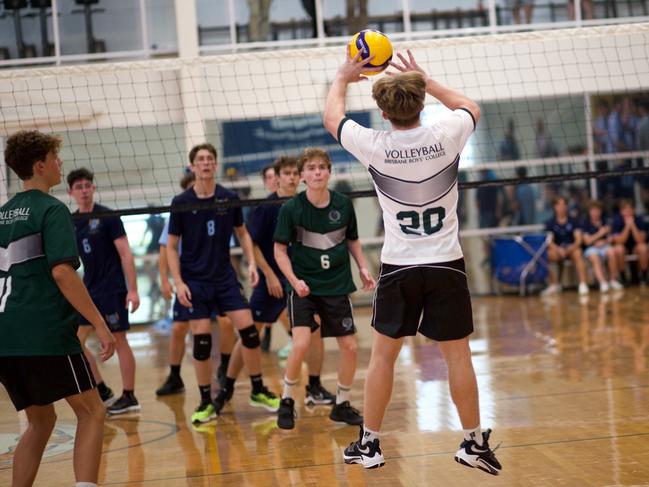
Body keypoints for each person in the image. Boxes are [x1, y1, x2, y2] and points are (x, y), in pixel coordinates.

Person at [324, 49, 501, 473]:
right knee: (457, 357)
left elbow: (333, 119)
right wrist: (428, 79)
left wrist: (343, 77)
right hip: (446, 263)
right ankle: (472, 442)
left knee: (383, 357)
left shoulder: (374, 145)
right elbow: (471, 107)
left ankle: (370, 444)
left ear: (384, 113)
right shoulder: (448, 134)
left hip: (400, 266)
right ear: (421, 103)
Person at [0, 130, 116, 487]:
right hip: (44, 334)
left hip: (6, 337)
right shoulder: (51, 209)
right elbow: (63, 272)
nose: (59, 163)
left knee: (41, 421)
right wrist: (99, 323)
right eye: (54, 157)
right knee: (93, 412)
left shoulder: (2, 214)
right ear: (40, 166)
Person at [167, 143, 280, 423]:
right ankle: (206, 401)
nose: (205, 163)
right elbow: (170, 247)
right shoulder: (181, 202)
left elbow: (243, 234)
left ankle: (257, 389)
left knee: (250, 332)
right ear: (192, 166)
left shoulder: (228, 198)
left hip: (225, 279)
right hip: (195, 282)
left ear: (215, 165)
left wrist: (252, 263)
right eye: (200, 159)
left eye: (209, 159)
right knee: (203, 341)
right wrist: (178, 282)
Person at [273, 147, 375, 430]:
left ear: (329, 172)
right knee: (302, 343)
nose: (317, 172)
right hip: (304, 287)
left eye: (322, 167)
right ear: (303, 176)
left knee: (351, 347)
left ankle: (341, 404)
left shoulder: (343, 204)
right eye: (311, 168)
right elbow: (279, 251)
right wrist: (294, 281)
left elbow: (352, 240)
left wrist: (363, 267)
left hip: (337, 286)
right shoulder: (292, 208)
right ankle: (287, 401)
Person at [225, 155, 336, 408]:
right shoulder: (266, 208)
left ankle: (314, 388)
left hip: (301, 281)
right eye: (286, 174)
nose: (292, 178)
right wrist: (269, 274)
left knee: (315, 331)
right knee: (251, 334)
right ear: (277, 178)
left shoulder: (306, 204)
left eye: (294, 173)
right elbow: (251, 242)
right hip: (272, 281)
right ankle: (227, 386)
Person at [67, 167, 142, 415]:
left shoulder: (109, 216)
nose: (84, 190)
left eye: (88, 185)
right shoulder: (72, 221)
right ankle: (102, 390)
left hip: (113, 289)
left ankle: (129, 396)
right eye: (79, 187)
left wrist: (133, 290)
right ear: (71, 192)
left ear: (93, 188)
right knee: (75, 341)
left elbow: (125, 253)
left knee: (119, 339)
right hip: (90, 291)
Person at [156, 171, 236, 396]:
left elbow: (226, 251)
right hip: (188, 281)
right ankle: (174, 376)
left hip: (218, 280)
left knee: (227, 323)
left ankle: (224, 368)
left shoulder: (218, 213)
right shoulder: (179, 211)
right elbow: (165, 249)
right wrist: (165, 279)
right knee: (179, 328)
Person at [541, 196, 589, 296]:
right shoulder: (550, 223)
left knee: (578, 252)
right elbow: (549, 241)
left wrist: (570, 249)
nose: (561, 207)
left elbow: (578, 240)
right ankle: (554, 284)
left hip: (572, 249)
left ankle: (583, 284)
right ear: (555, 207)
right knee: (544, 256)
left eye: (563, 205)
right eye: (559, 205)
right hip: (558, 250)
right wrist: (559, 250)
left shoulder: (574, 221)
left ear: (566, 206)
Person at [581, 200, 623, 292]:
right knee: (594, 257)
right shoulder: (585, 223)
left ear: (601, 211)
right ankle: (602, 282)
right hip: (591, 248)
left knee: (612, 252)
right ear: (589, 211)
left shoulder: (606, 221)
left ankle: (613, 280)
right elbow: (587, 241)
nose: (595, 212)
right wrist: (600, 233)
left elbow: (611, 238)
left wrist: (603, 242)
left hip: (605, 246)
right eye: (593, 210)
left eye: (597, 210)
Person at [611, 200, 649, 285]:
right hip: (623, 247)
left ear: (633, 210)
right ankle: (623, 277)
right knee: (619, 249)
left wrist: (633, 226)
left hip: (636, 246)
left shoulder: (639, 220)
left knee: (643, 248)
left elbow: (641, 240)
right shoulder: (617, 221)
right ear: (621, 211)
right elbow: (620, 241)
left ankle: (644, 276)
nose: (628, 212)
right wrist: (628, 227)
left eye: (630, 209)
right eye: (625, 210)